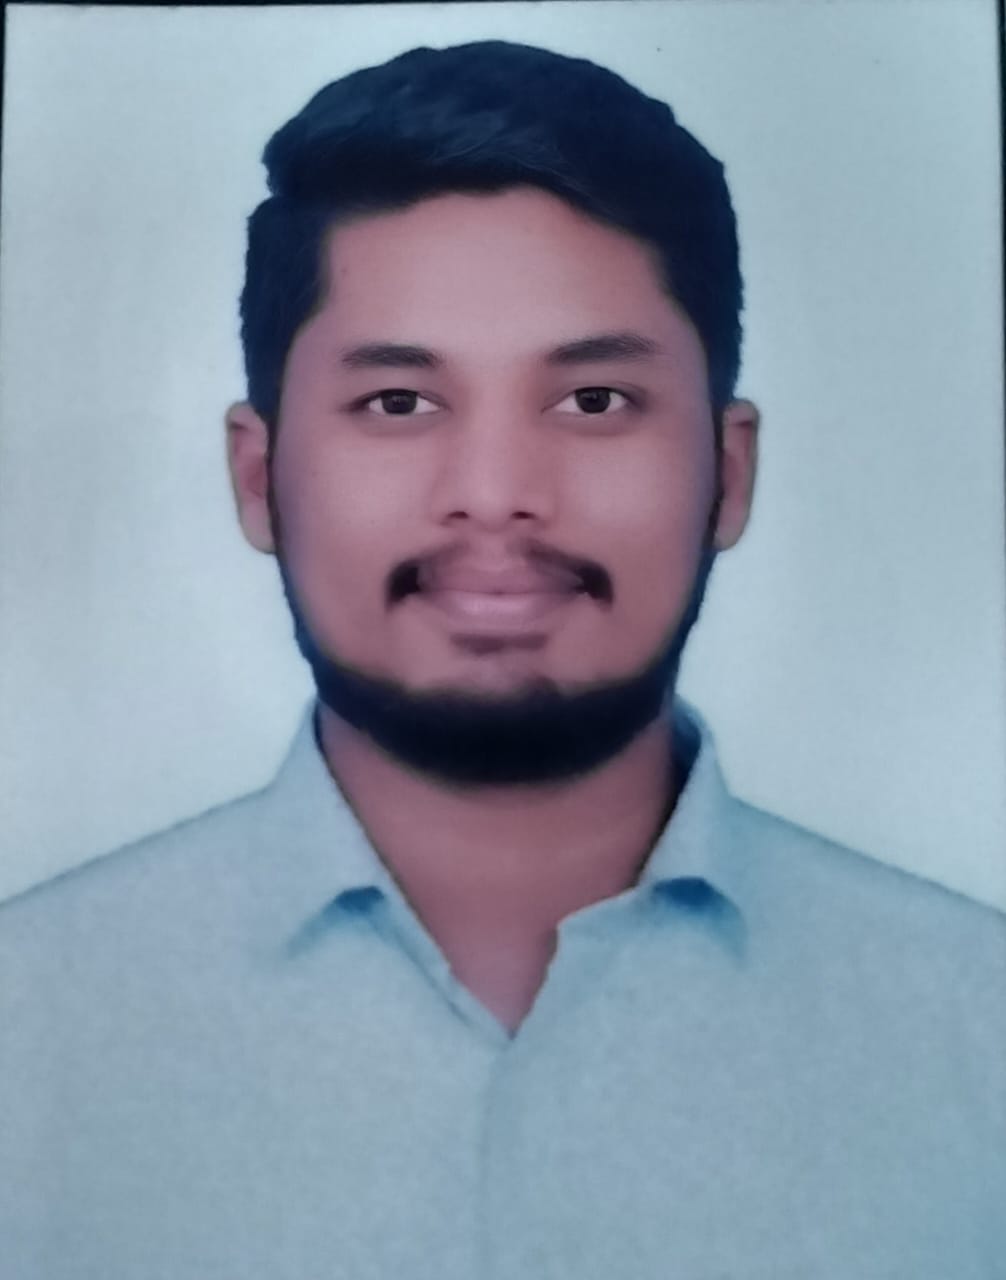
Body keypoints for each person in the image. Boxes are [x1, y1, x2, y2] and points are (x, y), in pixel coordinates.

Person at [2, 40, 1003, 1280]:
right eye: (398, 403)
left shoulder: (978, 1027)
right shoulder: (25, 1022)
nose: (493, 493)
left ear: (728, 472)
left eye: (593, 400)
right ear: (258, 478)